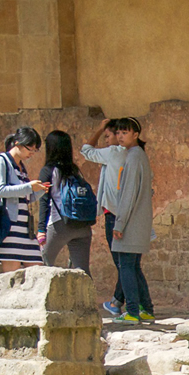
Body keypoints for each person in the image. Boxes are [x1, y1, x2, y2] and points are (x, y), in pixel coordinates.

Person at [108, 117, 155, 324]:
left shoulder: (134, 157)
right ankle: (146, 308)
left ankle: (133, 312)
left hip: (130, 222)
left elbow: (128, 194)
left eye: (124, 133)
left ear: (136, 134)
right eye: (118, 133)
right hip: (138, 220)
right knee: (133, 266)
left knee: (125, 265)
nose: (120, 136)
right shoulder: (138, 155)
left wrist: (119, 224)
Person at [82, 118, 128, 315]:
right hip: (125, 212)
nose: (107, 140)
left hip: (114, 215)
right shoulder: (132, 154)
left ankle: (119, 302)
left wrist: (99, 129)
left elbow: (86, 150)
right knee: (125, 262)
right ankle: (119, 300)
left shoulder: (114, 152)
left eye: (108, 136)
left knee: (122, 263)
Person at [0, 127, 49, 271]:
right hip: (10, 228)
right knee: (13, 278)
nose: (32, 153)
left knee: (36, 272)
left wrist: (40, 190)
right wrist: (29, 187)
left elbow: (24, 197)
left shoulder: (21, 166)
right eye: (30, 149)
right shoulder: (1, 161)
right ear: (18, 144)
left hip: (26, 228)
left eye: (35, 150)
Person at [36, 130, 94, 274]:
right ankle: (86, 296)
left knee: (41, 265)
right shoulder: (75, 170)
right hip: (82, 225)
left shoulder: (48, 170)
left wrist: (41, 230)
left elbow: (44, 201)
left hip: (60, 224)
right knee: (83, 272)